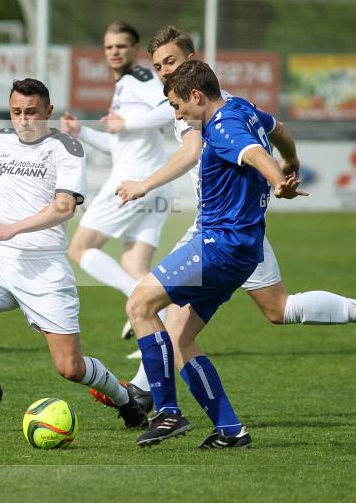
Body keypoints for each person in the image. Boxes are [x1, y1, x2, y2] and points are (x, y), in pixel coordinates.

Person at [91, 25, 356, 412]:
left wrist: (144, 184)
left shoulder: (198, 110)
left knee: (155, 301)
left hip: (223, 231)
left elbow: (192, 151)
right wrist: (292, 159)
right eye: (159, 65)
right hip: (234, 226)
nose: (165, 71)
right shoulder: (226, 101)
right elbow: (277, 127)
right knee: (273, 309)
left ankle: (147, 395)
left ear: (193, 61)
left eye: (172, 61)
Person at [0, 78, 147, 429]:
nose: (24, 120)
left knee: (71, 368)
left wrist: (13, 227)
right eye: (17, 111)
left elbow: (64, 208)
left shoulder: (66, 148)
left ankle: (128, 402)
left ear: (48, 111)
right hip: (3, 262)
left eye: (32, 112)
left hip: (45, 270)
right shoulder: (1, 141)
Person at [127, 59, 307, 448]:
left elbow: (254, 152)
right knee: (180, 339)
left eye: (177, 105)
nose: (177, 114)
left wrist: (278, 180)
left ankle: (167, 413)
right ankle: (230, 429)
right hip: (243, 253)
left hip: (218, 246)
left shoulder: (222, 127)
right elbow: (279, 131)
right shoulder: (240, 107)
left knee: (140, 305)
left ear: (196, 95)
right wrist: (291, 161)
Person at [60, 21, 174, 343]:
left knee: (80, 249)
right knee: (134, 263)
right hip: (152, 183)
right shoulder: (124, 85)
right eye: (109, 47)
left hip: (134, 182)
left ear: (135, 51)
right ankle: (161, 333)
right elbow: (118, 143)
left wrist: (128, 120)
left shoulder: (140, 78)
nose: (114, 52)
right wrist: (81, 132)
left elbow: (171, 109)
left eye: (121, 46)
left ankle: (140, 305)